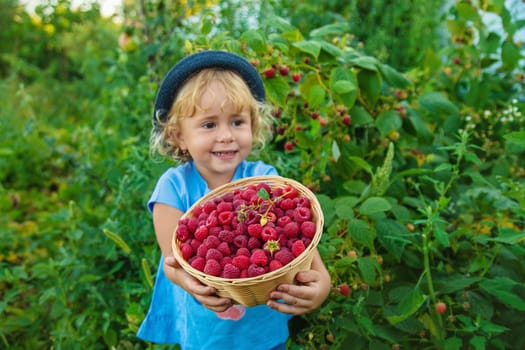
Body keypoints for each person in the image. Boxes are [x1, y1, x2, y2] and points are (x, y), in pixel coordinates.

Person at [137, 50, 331, 350]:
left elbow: (304, 251)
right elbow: (173, 262)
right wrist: (190, 284)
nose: (226, 135)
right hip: (206, 335)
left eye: (237, 122)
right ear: (178, 136)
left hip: (264, 330)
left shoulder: (266, 180)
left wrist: (322, 284)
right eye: (209, 125)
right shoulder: (173, 188)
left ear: (253, 126)